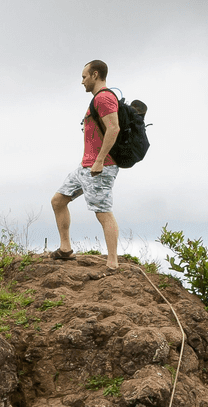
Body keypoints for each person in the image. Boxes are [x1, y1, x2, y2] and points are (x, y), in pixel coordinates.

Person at [51, 60, 121, 270]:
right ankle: (65, 249)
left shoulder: (105, 98)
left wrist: (100, 160)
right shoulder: (98, 100)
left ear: (95, 75)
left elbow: (114, 128)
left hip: (101, 166)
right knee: (58, 201)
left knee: (103, 212)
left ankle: (112, 263)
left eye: (84, 77)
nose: (82, 82)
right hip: (86, 166)